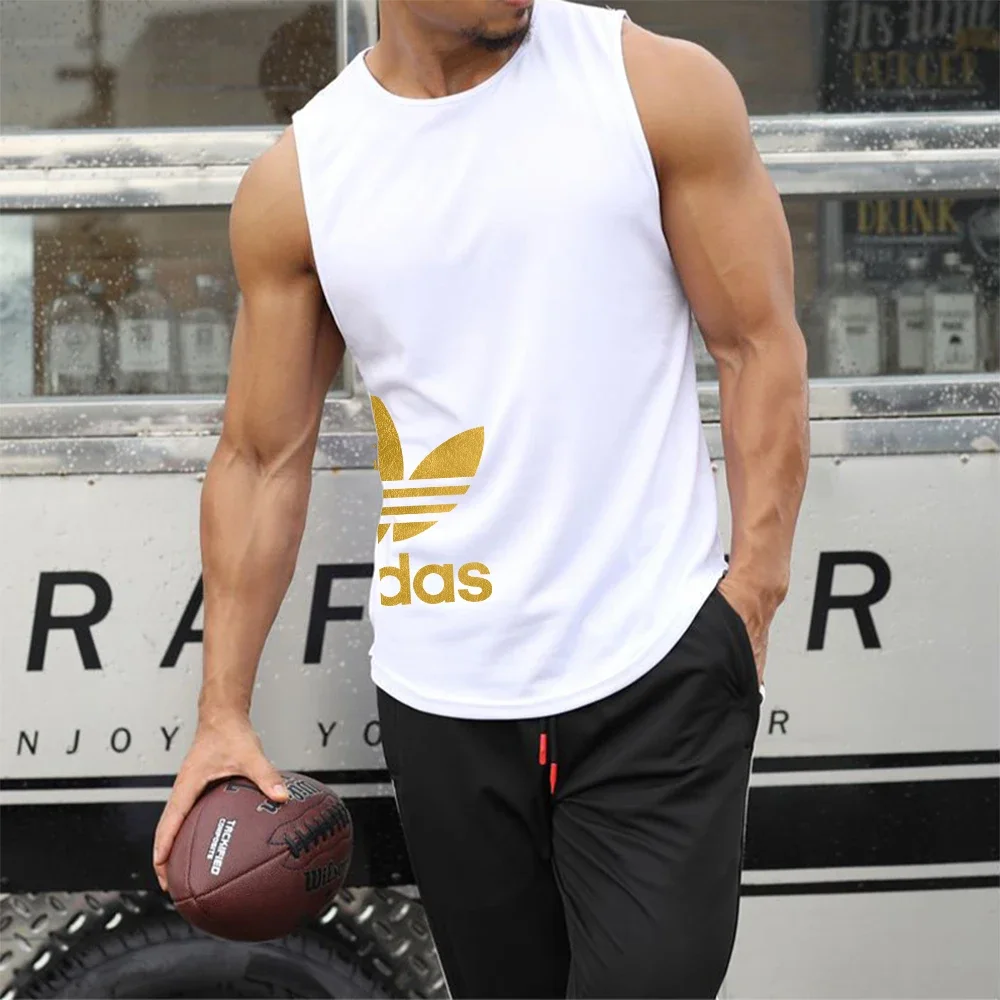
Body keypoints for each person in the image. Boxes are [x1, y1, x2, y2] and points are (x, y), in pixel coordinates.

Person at [153, 1, 809, 996]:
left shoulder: (649, 85)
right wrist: (221, 713)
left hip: (653, 667)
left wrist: (752, 592)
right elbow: (258, 457)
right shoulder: (305, 179)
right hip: (445, 697)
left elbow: (758, 343)